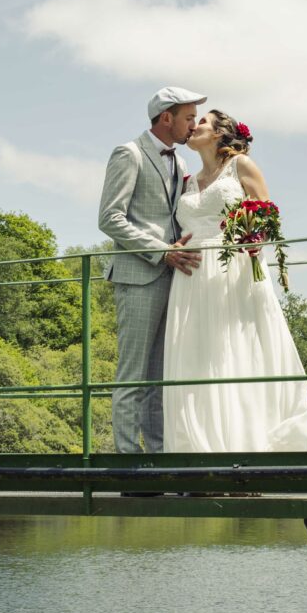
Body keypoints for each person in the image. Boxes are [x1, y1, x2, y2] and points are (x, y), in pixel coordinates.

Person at [162, 110, 307, 453]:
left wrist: (252, 236)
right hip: (190, 276)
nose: (194, 126)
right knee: (196, 357)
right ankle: (200, 452)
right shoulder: (186, 180)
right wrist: (171, 247)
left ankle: (245, 449)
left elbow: (267, 213)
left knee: (235, 352)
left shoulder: (242, 166)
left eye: (201, 122)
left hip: (233, 271)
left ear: (219, 134)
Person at [98, 86, 206, 454]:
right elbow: (110, 218)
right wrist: (161, 252)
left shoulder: (181, 162)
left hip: (175, 278)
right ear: (166, 118)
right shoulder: (129, 154)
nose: (194, 125)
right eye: (189, 117)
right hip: (139, 275)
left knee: (160, 377)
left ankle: (158, 458)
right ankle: (129, 463)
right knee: (133, 375)